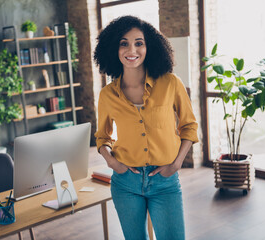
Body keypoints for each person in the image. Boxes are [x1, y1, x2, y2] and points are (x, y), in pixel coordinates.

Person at [94, 15, 198, 240]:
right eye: (124, 43)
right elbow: (102, 137)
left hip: (165, 181)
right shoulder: (107, 95)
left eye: (139, 43)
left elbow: (189, 126)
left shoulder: (171, 83)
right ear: (115, 48)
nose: (132, 49)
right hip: (125, 183)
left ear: (149, 47)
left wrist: (177, 163)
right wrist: (112, 162)